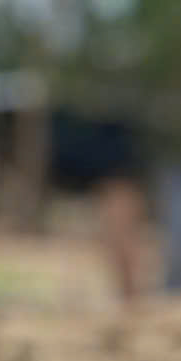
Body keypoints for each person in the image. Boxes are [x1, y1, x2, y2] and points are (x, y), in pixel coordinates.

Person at [47, 105, 149, 307]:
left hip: (100, 129)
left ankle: (128, 295)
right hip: (94, 130)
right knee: (120, 219)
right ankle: (128, 295)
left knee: (120, 221)